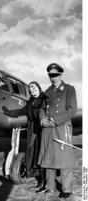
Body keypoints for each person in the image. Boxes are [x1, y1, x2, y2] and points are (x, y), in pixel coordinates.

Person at [36, 63, 77, 198]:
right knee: (49, 159)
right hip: (47, 129)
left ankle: (66, 189)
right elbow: (42, 108)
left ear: (61, 75)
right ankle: (50, 187)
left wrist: (55, 120)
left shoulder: (69, 89)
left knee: (64, 159)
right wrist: (42, 119)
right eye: (50, 75)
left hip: (61, 127)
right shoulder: (47, 92)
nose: (53, 78)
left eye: (55, 75)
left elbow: (72, 110)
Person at [2, 81, 46, 187]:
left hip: (42, 128)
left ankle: (43, 176)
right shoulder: (30, 102)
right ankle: (31, 170)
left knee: (41, 148)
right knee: (30, 147)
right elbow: (22, 110)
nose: (33, 92)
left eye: (35, 89)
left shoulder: (45, 99)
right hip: (32, 128)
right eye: (31, 91)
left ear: (39, 89)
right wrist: (9, 112)